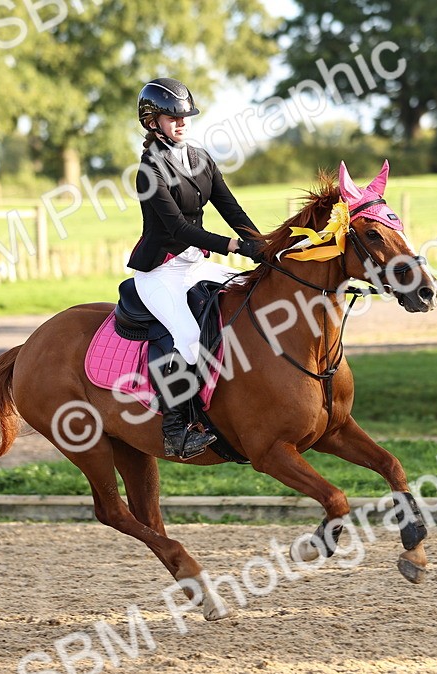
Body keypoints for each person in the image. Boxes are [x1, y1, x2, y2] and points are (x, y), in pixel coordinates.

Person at [128, 77, 263, 460]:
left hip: (193, 264)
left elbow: (230, 208)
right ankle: (175, 428)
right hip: (159, 272)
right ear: (153, 122)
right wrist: (236, 246)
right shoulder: (148, 172)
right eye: (173, 117)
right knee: (188, 339)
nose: (182, 122)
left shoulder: (201, 159)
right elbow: (179, 229)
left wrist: (265, 244)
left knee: (247, 298)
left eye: (185, 115)